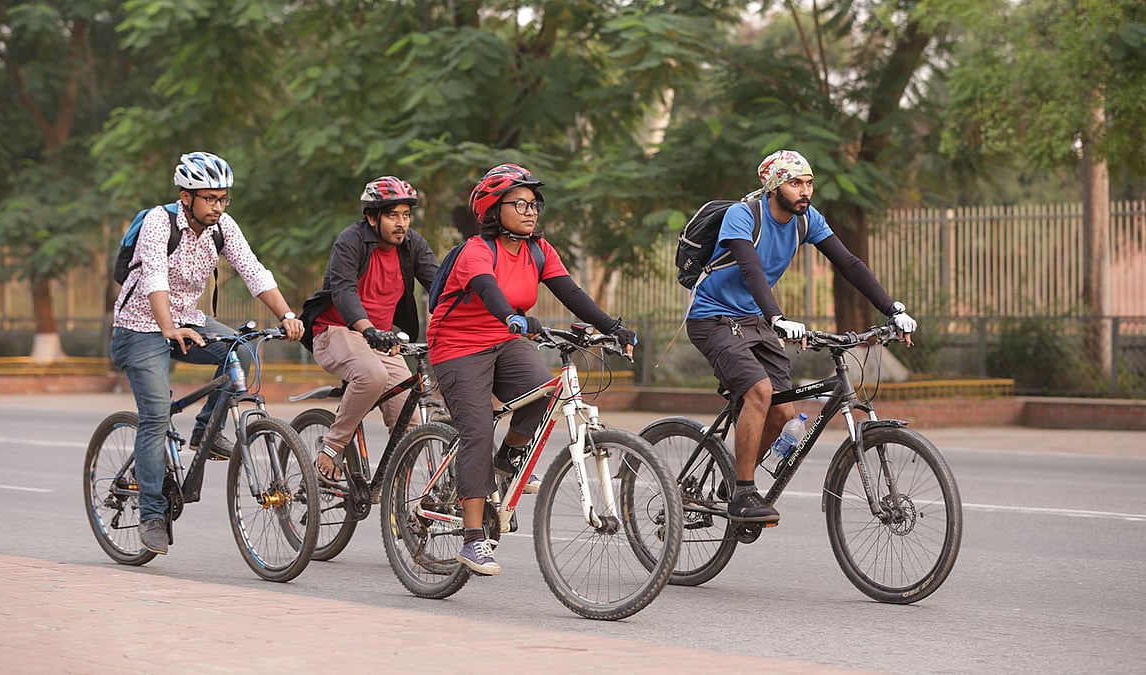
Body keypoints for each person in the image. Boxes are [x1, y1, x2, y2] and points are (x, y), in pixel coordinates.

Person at [685, 149, 917, 525]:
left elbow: (849, 264)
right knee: (759, 392)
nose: (804, 191)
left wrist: (893, 310)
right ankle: (744, 493)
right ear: (775, 185)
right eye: (795, 183)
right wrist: (777, 317)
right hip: (713, 317)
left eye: (808, 183)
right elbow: (750, 268)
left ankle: (730, 484)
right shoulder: (743, 215)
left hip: (755, 319)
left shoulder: (807, 220)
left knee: (783, 413)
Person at [427, 163, 638, 576]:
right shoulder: (477, 251)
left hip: (505, 339)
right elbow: (488, 290)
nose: (530, 210)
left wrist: (613, 327)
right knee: (476, 431)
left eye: (534, 203)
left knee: (545, 392)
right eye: (519, 203)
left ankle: (504, 467)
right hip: (457, 345)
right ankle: (472, 541)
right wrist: (512, 317)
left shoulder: (539, 250)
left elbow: (571, 293)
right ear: (493, 209)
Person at [110, 151, 305, 556]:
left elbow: (253, 270)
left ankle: (206, 433)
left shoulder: (223, 227)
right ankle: (150, 514)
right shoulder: (157, 223)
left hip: (188, 318)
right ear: (186, 196)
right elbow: (154, 278)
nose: (218, 206)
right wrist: (167, 328)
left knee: (243, 352)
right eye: (210, 198)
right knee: (156, 415)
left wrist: (286, 313)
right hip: (140, 327)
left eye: (223, 198)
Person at [300, 176, 439, 485]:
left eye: (406, 215)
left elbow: (441, 285)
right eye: (393, 215)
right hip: (336, 331)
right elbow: (344, 291)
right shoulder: (350, 241)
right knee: (372, 375)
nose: (401, 223)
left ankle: (396, 498)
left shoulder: (412, 245)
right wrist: (367, 329)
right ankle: (333, 446)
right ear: (372, 217)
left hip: (382, 340)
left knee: (412, 423)